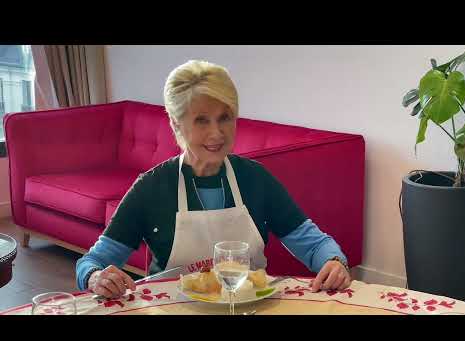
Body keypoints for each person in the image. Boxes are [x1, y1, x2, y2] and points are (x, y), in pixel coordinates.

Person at [76, 60, 351, 299]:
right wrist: (96, 277)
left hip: (248, 309)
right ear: (175, 123)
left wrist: (334, 261)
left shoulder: (255, 179)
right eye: (202, 121)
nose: (217, 133)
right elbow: (92, 262)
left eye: (225, 118)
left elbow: (314, 244)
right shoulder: (151, 187)